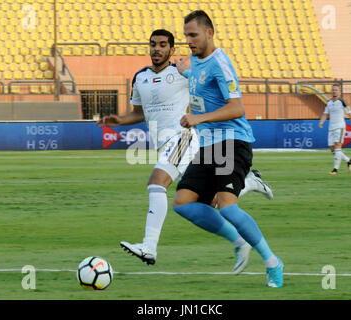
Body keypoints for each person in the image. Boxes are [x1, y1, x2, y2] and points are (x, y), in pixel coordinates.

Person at [96, 29, 273, 272]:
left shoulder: (181, 73)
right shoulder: (140, 78)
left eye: (162, 45)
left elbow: (207, 89)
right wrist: (118, 120)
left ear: (171, 49)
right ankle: (247, 196)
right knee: (207, 202)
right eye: (153, 44)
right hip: (165, 145)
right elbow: (140, 113)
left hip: (184, 138)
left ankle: (149, 246)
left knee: (156, 184)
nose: (157, 49)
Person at [172, 11, 283, 287]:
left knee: (228, 209)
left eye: (193, 35)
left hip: (233, 141)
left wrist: (198, 118)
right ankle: (238, 241)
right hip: (209, 145)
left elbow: (238, 107)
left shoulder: (220, 63)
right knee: (183, 203)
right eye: (186, 35)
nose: (189, 40)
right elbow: (193, 73)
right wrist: (181, 67)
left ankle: (272, 262)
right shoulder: (196, 61)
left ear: (210, 33)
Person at [318, 84, 351, 175]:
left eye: (336, 90)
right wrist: (321, 122)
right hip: (331, 128)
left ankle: (335, 169)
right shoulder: (329, 102)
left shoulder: (342, 102)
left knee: (337, 146)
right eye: (333, 90)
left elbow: (350, 114)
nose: (334, 91)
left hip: (340, 127)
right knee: (333, 149)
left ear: (339, 92)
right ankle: (349, 161)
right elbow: (325, 114)